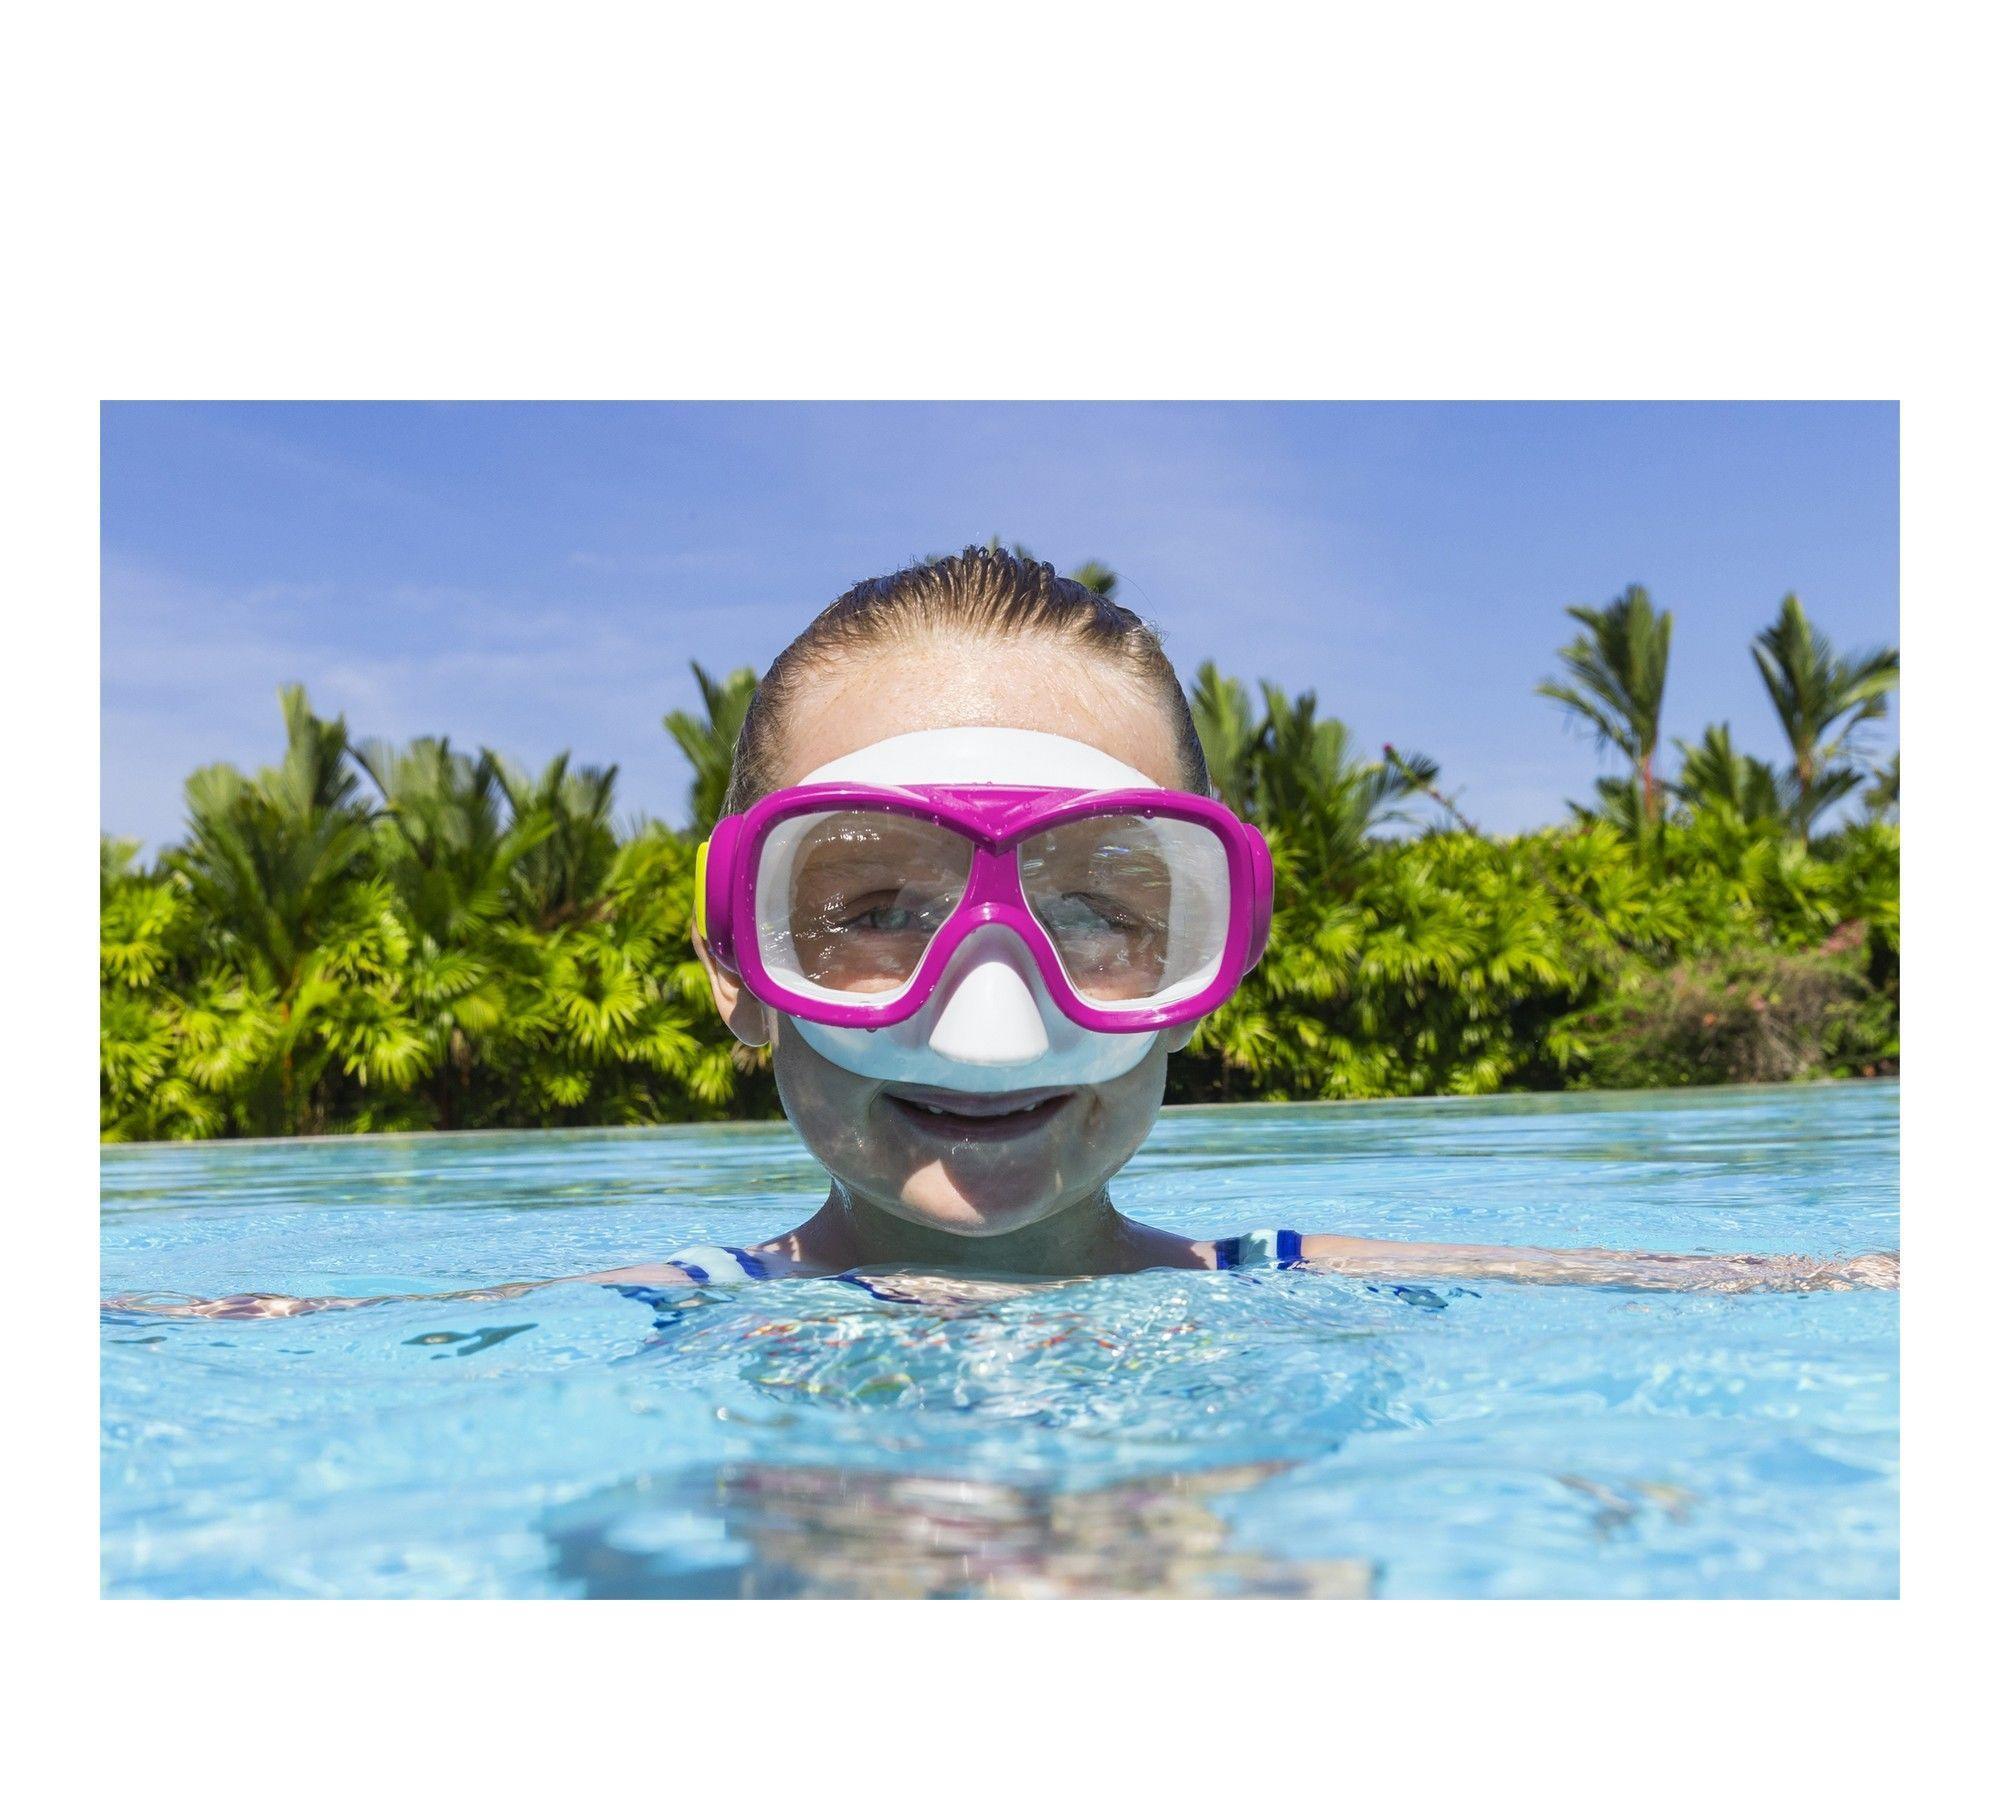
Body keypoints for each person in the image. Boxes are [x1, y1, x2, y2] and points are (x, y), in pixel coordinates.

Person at [128, 547, 1895, 1320]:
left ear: (1211, 968)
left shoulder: (1290, 1291)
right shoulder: (658, 1317)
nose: (990, 1000)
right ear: (742, 970)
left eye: (1103, 915)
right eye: (872, 906)